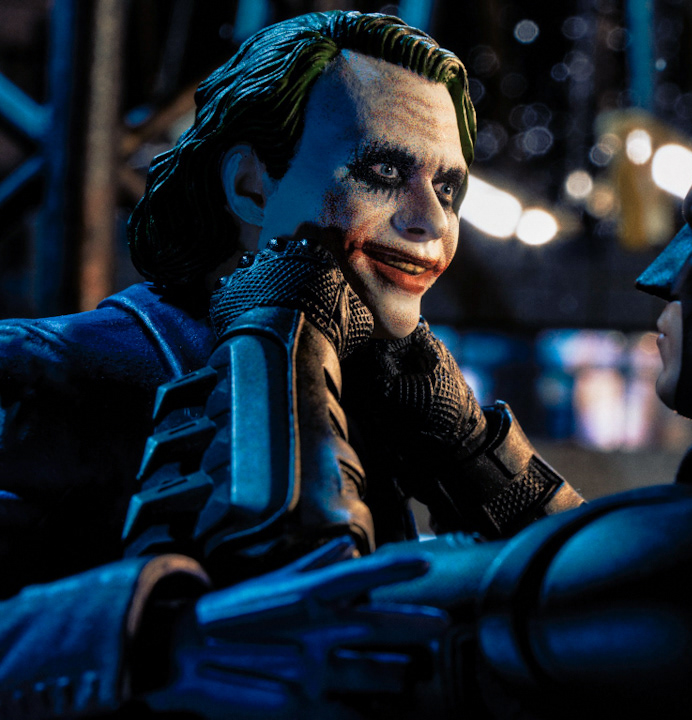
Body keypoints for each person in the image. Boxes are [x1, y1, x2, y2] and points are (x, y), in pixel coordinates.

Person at [111, 15, 692, 719]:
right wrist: (469, 444)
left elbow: (303, 637)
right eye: (379, 172)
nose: (660, 275)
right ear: (250, 185)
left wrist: (277, 335)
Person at [0, 11, 580, 717]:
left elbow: (602, 594)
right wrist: (155, 640)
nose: (430, 221)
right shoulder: (40, 373)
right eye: (382, 170)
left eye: (448, 189)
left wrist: (476, 452)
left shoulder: (384, 399)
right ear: (251, 186)